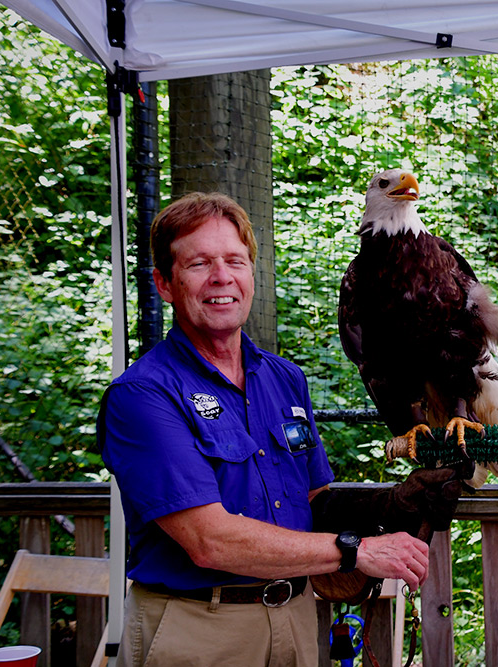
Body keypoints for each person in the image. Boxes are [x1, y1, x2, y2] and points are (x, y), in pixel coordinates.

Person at [99, 192, 461, 667]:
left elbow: (313, 503)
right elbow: (211, 540)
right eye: (199, 264)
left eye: (235, 260)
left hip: (295, 619)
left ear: (252, 274)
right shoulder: (144, 395)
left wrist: (390, 504)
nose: (221, 277)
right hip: (199, 629)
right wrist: (358, 549)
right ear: (164, 283)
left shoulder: (284, 379)